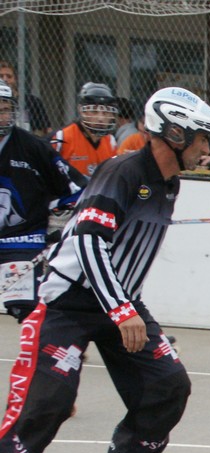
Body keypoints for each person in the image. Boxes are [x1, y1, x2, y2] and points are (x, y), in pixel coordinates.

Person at [0, 86, 210, 453]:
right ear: (175, 135)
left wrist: (124, 306)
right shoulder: (123, 172)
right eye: (201, 139)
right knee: (50, 403)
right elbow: (88, 242)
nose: (206, 149)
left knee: (169, 386)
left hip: (123, 303)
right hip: (69, 303)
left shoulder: (169, 182)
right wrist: (120, 309)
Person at [0, 81, 85, 323]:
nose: (2, 115)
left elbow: (76, 190)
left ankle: (51, 342)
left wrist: (60, 226)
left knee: (26, 310)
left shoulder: (33, 147)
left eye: (5, 109)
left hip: (21, 241)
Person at [50, 81, 118, 178]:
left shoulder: (110, 142)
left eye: (105, 112)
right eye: (94, 111)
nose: (100, 118)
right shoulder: (62, 138)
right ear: (81, 110)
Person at [0, 60, 50, 139]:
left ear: (15, 79)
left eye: (9, 76)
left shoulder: (32, 101)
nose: (5, 79)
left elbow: (46, 129)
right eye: (1, 76)